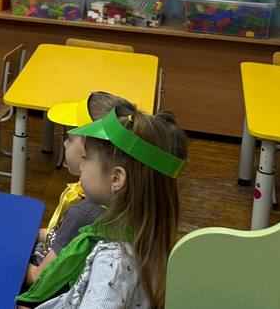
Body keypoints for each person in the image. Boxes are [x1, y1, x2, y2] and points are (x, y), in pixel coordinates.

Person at [30, 108, 188, 309]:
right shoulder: (146, 236)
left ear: (116, 179)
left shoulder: (114, 263)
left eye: (86, 158)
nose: (82, 166)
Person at [23, 92, 136, 296]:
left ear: (88, 147)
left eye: (69, 138)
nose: (64, 144)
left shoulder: (86, 211)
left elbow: (38, 278)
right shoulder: (122, 202)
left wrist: (12, 256)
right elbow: (60, 236)